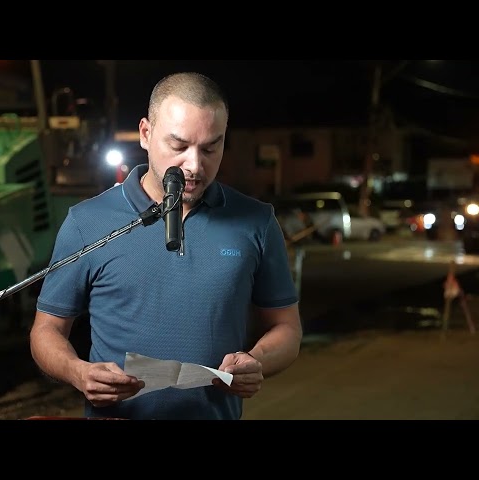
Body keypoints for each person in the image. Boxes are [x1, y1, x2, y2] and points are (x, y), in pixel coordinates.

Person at [30, 71, 302, 420]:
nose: (194, 165)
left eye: (210, 147)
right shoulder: (87, 222)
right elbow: (46, 329)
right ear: (145, 133)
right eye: (179, 146)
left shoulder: (256, 221)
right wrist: (77, 372)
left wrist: (257, 361)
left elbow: (288, 328)